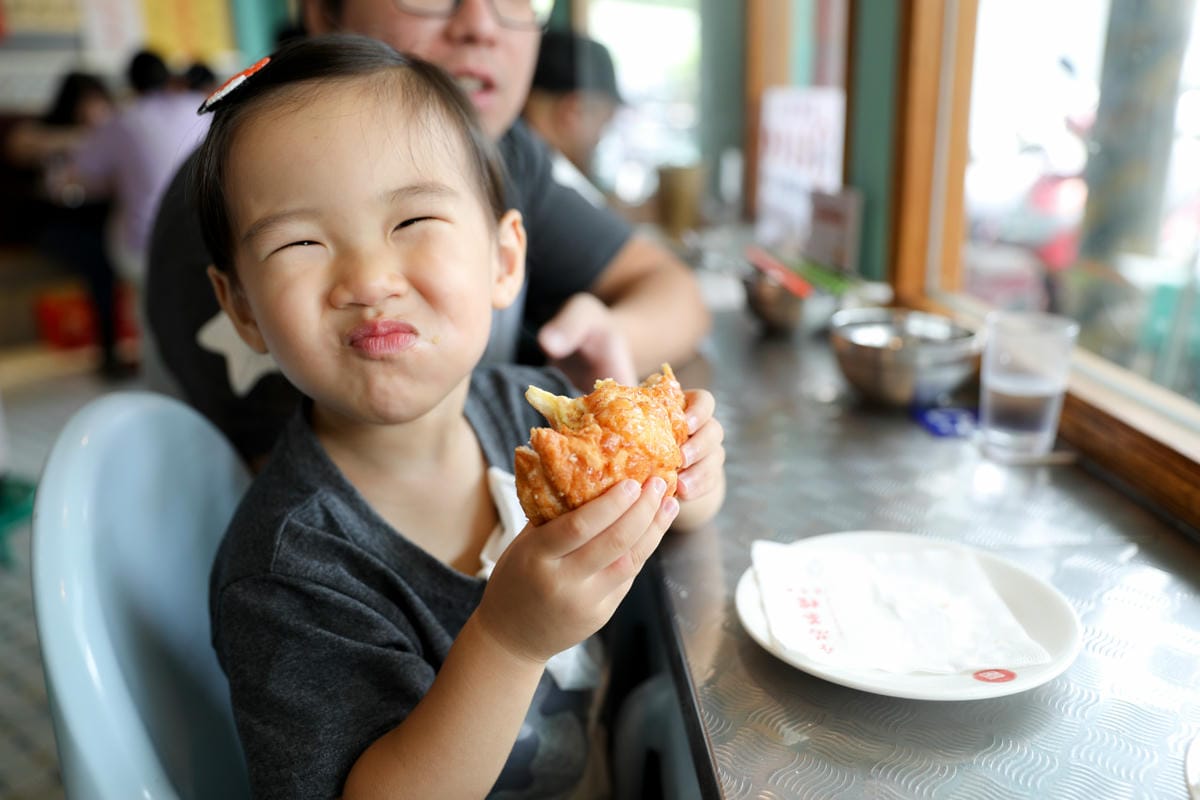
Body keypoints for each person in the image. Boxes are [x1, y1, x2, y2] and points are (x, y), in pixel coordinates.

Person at [196, 34, 726, 798]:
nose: (370, 281)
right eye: (302, 242)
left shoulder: (536, 414)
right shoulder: (288, 571)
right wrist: (509, 642)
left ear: (504, 260)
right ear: (241, 307)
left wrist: (690, 475)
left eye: (411, 223)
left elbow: (675, 515)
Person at [146, 0, 711, 467]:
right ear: (323, 15)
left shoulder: (502, 146)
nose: (480, 23)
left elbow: (671, 289)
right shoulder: (246, 198)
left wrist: (601, 357)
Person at [2, 72, 133, 378]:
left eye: (99, 100)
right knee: (99, 259)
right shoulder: (41, 130)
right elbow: (20, 147)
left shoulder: (113, 133)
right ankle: (109, 352)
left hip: (99, 219)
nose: (95, 108)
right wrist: (93, 136)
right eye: (89, 100)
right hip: (53, 224)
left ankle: (117, 347)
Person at [59, 49, 210, 289]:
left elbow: (78, 176)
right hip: (204, 236)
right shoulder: (198, 108)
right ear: (169, 76)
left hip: (143, 249)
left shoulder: (122, 119)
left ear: (130, 83)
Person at [522, 29, 622, 207]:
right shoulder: (557, 188)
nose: (600, 137)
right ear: (574, 112)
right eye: (604, 122)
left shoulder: (507, 157)